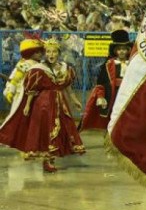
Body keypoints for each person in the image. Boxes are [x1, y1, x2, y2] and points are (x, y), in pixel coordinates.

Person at [0, 38, 85, 172]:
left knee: (60, 130)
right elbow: (32, 90)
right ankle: (47, 161)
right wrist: (27, 105)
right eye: (48, 52)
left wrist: (74, 100)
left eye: (54, 52)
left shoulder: (65, 68)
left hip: (60, 103)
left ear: (58, 53)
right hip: (43, 104)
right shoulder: (38, 69)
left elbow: (67, 87)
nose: (51, 55)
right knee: (46, 131)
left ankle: (51, 158)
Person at [81, 30, 132, 131]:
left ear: (128, 50)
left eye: (124, 49)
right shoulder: (108, 64)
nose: (121, 51)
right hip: (113, 95)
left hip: (128, 94)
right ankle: (110, 138)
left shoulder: (132, 64)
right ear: (115, 51)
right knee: (113, 116)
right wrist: (100, 96)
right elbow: (101, 82)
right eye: (119, 49)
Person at [3, 37, 45, 105]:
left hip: (38, 95)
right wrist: (10, 91)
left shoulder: (41, 63)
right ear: (29, 53)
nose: (40, 54)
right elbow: (15, 79)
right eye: (37, 52)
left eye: (41, 52)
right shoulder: (26, 64)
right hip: (24, 95)